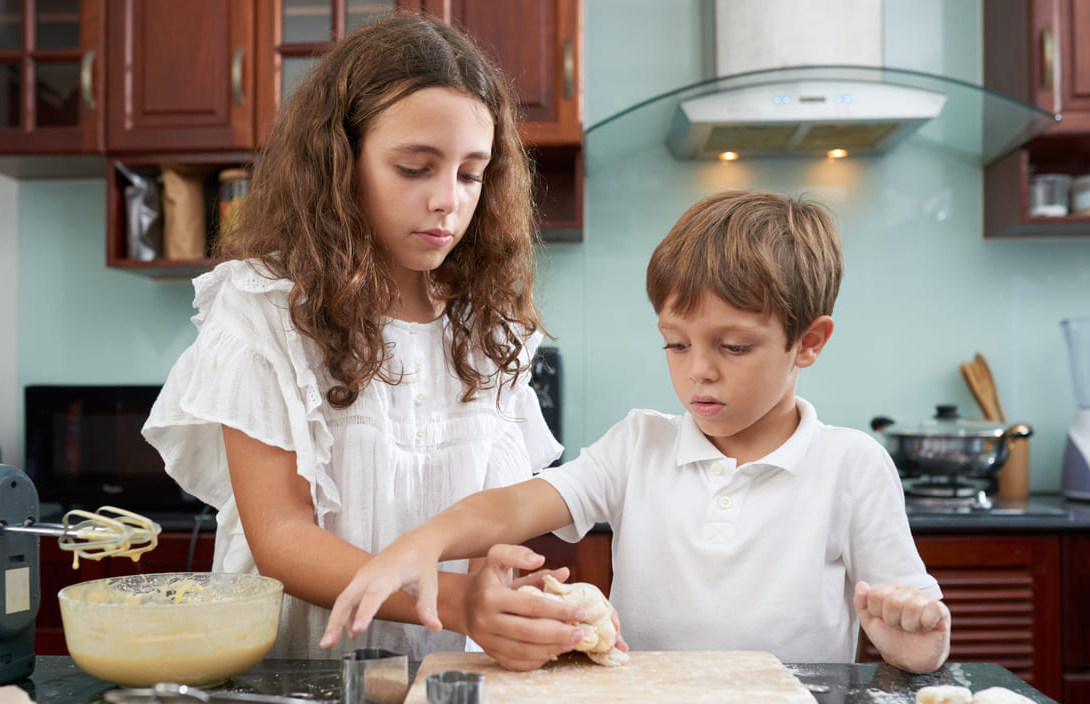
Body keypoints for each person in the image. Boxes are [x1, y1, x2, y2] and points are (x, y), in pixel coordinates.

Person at [322, 189, 952, 675]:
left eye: (733, 346)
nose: (698, 370)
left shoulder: (852, 466)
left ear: (808, 342)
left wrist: (914, 645)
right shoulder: (638, 446)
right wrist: (425, 541)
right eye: (675, 344)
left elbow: (912, 622)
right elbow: (517, 503)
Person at [142, 12, 579, 662]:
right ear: (339, 163)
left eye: (470, 173)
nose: (448, 201)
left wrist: (513, 597)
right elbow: (281, 536)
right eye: (414, 168)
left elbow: (495, 518)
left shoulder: (490, 328)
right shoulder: (265, 310)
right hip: (298, 681)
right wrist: (453, 602)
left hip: (449, 676)